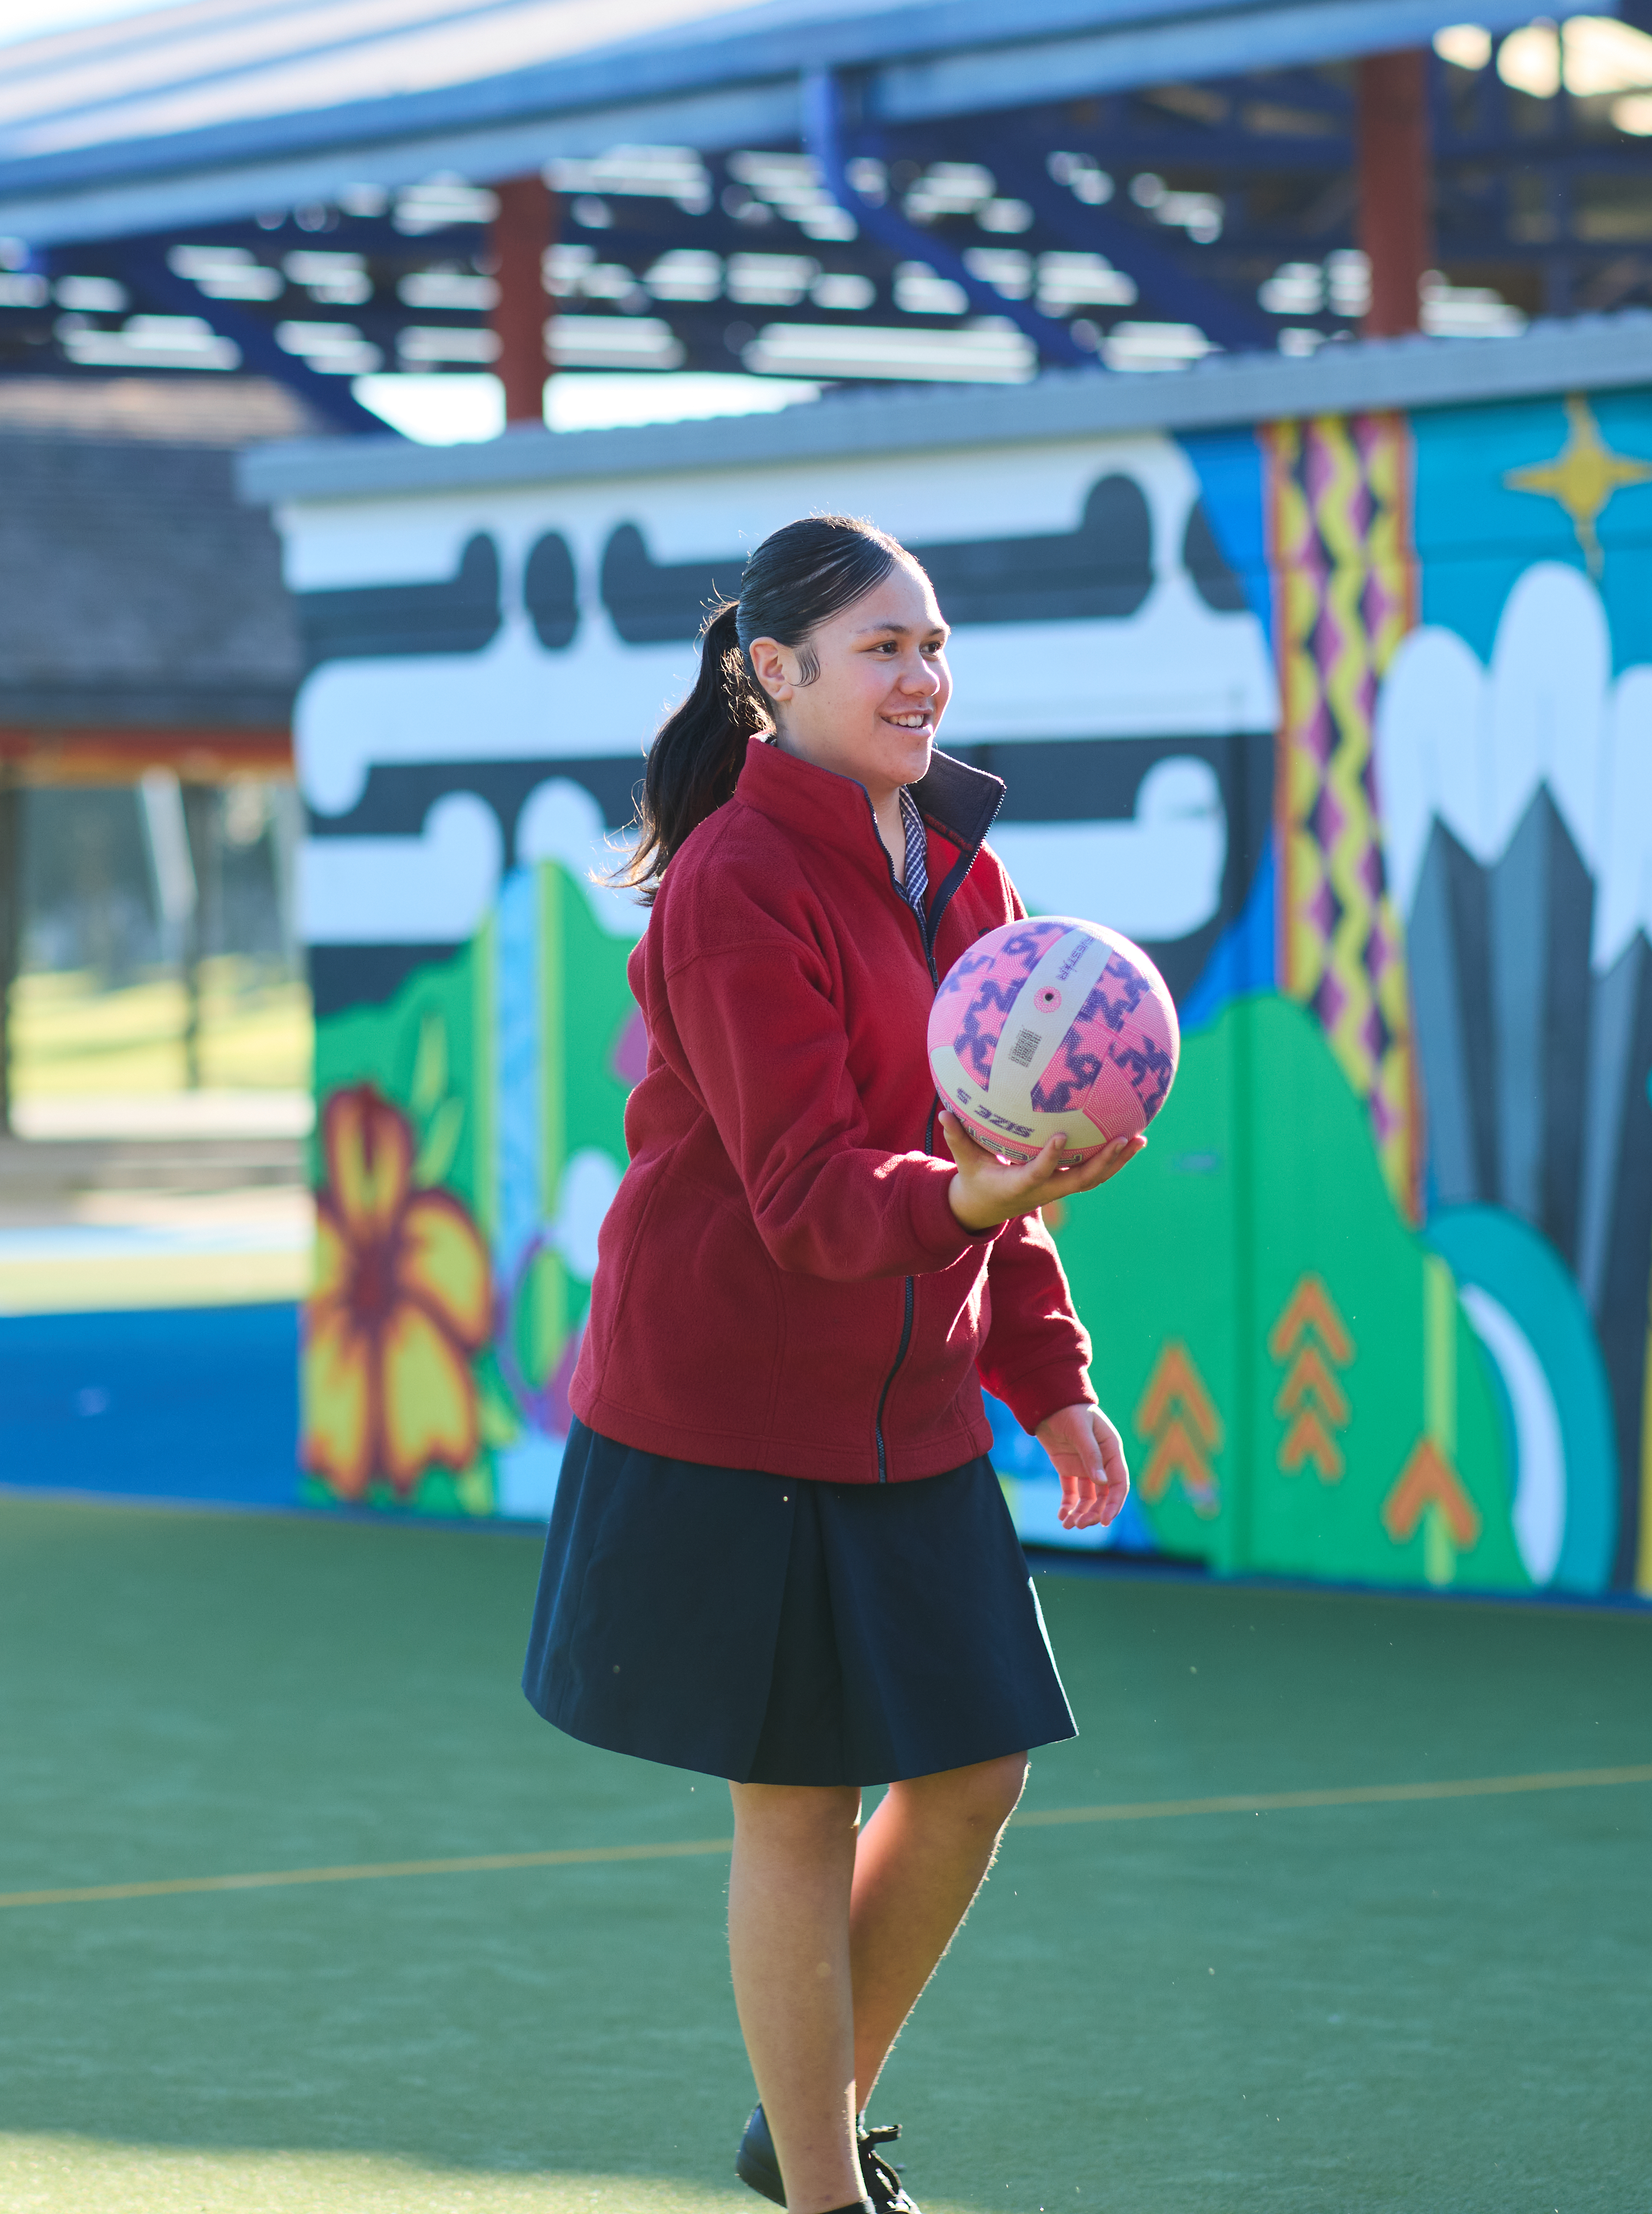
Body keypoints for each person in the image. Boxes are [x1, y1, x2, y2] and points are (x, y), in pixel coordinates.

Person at [523, 514, 1140, 2214]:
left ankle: (804, 2106)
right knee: (798, 1804)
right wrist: (973, 1189)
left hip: (908, 1408)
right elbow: (806, 1194)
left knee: (975, 1778)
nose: (923, 675)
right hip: (728, 1411)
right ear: (773, 675)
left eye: (932, 644)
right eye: (883, 647)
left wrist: (1050, 1372)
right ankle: (819, 2189)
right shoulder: (731, 879)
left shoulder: (967, 867)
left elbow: (995, 1158)